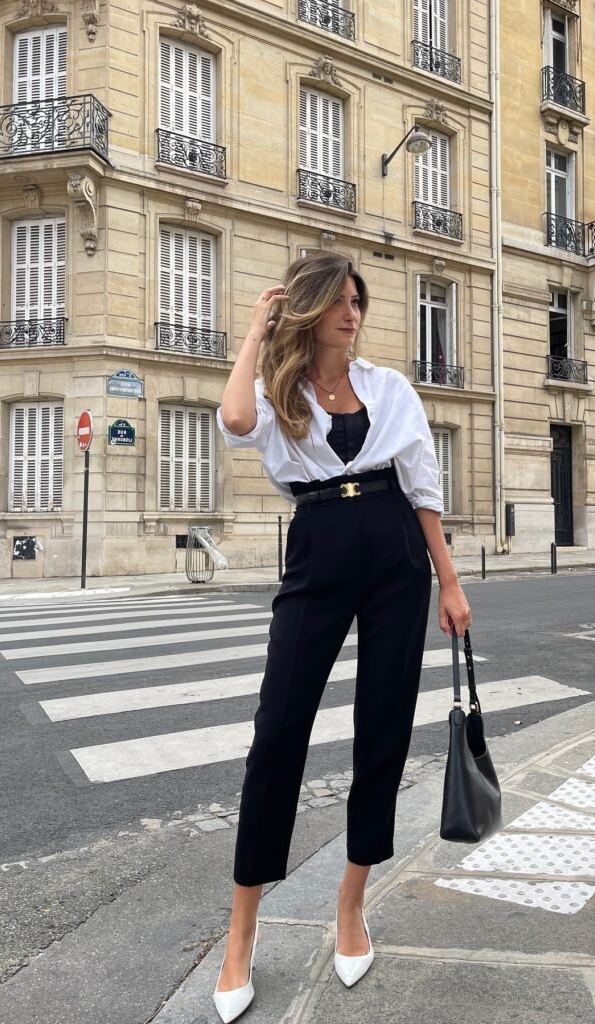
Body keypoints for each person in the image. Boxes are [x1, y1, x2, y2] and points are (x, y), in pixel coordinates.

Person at [212, 252, 471, 1023]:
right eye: (337, 301)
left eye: (357, 301)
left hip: (395, 550)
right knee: (277, 732)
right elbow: (234, 421)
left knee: (383, 728)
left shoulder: (389, 388)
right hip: (318, 545)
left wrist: (449, 581)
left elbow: (421, 485)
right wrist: (255, 334)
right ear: (308, 309)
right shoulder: (278, 393)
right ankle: (241, 931)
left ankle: (351, 901)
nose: (351, 313)